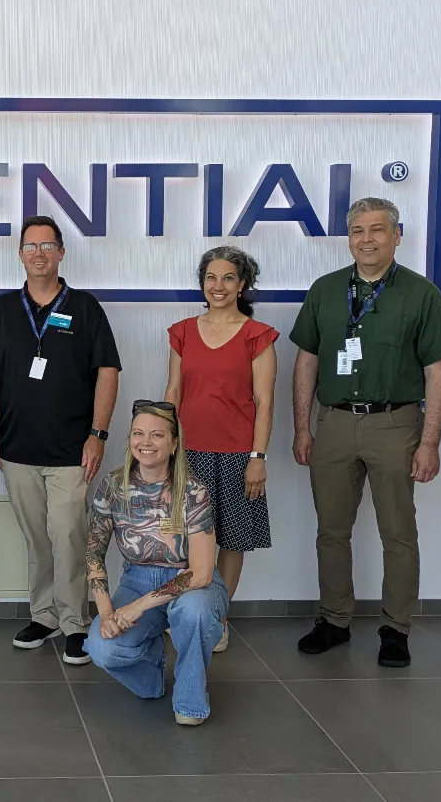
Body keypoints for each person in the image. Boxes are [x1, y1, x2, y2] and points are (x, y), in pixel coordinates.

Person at [289, 197, 441, 668]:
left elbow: (437, 372)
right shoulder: (324, 291)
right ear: (349, 238)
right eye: (358, 230)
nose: (367, 238)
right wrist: (302, 427)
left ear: (397, 236)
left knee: (398, 533)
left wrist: (429, 442)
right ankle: (334, 620)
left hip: (396, 424)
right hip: (335, 423)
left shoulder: (421, 294)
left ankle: (395, 628)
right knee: (331, 531)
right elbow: (306, 363)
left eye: (378, 230)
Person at [0, 215, 120, 665]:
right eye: (30, 246)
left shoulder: (85, 307)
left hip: (72, 450)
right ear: (20, 254)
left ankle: (75, 621)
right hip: (17, 449)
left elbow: (107, 372)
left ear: (61, 253)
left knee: (71, 534)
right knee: (37, 538)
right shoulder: (1, 310)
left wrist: (97, 435)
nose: (38, 253)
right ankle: (44, 615)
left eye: (47, 245)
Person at [84, 401, 228, 726]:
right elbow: (93, 552)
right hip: (136, 579)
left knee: (194, 612)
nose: (145, 442)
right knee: (101, 647)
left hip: (190, 583)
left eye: (157, 435)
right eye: (138, 433)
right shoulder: (112, 486)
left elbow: (202, 572)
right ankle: (152, 673)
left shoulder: (194, 492)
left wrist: (138, 607)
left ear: (174, 443)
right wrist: (107, 612)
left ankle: (190, 699)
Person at [164, 245, 278, 653]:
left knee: (231, 539)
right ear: (202, 283)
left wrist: (258, 458)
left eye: (228, 278)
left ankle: (217, 617)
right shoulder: (182, 332)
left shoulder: (257, 336)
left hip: (237, 455)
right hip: (189, 453)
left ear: (242, 284)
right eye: (211, 278)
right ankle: (182, 611)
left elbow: (264, 403)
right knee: (185, 538)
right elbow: (173, 393)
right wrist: (166, 448)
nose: (219, 286)